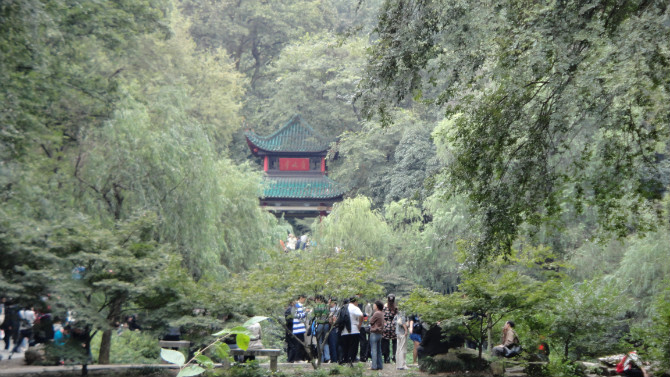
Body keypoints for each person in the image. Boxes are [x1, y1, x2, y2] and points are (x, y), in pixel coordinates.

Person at [340, 297, 363, 365]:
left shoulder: (343, 307)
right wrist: (360, 324)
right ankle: (351, 362)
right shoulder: (354, 308)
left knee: (345, 347)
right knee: (353, 347)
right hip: (354, 330)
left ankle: (345, 361)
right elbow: (361, 315)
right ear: (355, 301)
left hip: (344, 331)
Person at [289, 295, 310, 362]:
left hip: (301, 328)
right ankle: (297, 358)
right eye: (304, 299)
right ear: (301, 298)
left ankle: (300, 358)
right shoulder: (296, 306)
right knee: (299, 344)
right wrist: (305, 313)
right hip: (297, 328)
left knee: (301, 343)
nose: (304, 300)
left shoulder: (301, 306)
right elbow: (295, 316)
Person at [381, 294, 398, 363]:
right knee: (394, 341)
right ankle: (394, 356)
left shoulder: (384, 307)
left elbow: (382, 316)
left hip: (386, 325)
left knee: (386, 342)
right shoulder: (395, 308)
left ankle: (386, 357)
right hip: (393, 326)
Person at [369, 301, 384, 370]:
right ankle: (380, 365)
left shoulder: (376, 313)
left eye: (374, 305)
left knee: (374, 350)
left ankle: (374, 366)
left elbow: (371, 321)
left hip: (374, 333)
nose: (373, 306)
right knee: (379, 350)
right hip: (380, 333)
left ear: (377, 306)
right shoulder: (381, 313)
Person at [327, 299, 339, 363]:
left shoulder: (333, 310)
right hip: (336, 329)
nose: (328, 303)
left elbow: (332, 321)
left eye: (330, 302)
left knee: (333, 345)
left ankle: (334, 360)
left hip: (333, 328)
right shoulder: (338, 309)